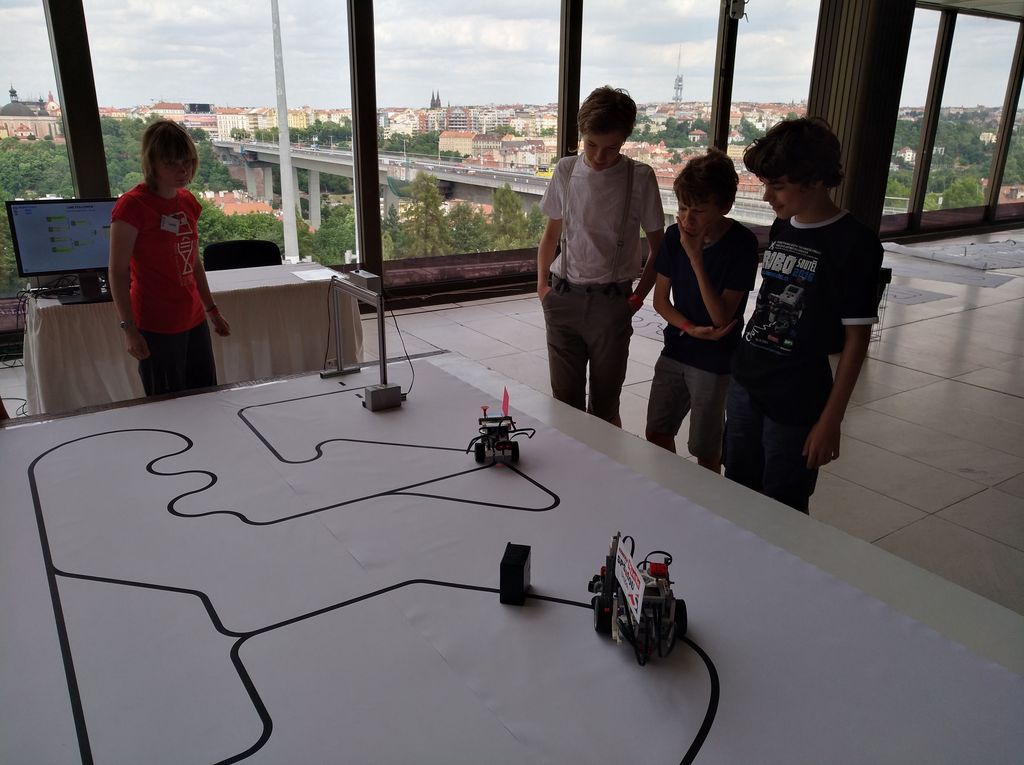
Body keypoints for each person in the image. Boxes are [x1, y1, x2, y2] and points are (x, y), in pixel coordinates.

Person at [724, 117, 882, 512]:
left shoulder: (855, 243)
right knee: (737, 486)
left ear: (814, 179)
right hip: (748, 379)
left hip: (798, 394)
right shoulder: (783, 226)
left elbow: (856, 339)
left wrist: (831, 420)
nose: (767, 197)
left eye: (777, 186)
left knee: (784, 502)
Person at [537, 86, 665, 426]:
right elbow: (551, 234)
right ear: (582, 134)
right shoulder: (566, 170)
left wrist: (637, 298)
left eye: (611, 148)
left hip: (612, 302)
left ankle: (604, 459)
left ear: (624, 141)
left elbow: (659, 246)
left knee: (605, 409)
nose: (598, 156)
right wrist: (542, 287)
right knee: (565, 406)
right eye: (591, 144)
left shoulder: (639, 177)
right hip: (563, 296)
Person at [645, 149, 758, 472]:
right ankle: (669, 488)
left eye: (698, 211)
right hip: (677, 346)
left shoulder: (742, 244)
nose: (686, 220)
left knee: (705, 447)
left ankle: (704, 497)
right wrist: (689, 328)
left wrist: (695, 257)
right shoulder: (674, 237)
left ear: (724, 207)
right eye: (682, 208)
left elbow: (721, 317)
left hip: (716, 359)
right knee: (657, 430)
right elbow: (661, 301)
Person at [108, 120, 230, 397]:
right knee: (167, 405)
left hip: (193, 318)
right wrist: (129, 329)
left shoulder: (187, 201)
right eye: (171, 163)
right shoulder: (132, 206)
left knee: (206, 397)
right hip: (156, 323)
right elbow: (117, 271)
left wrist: (212, 311)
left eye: (187, 161)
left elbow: (193, 262)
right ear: (152, 163)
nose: (183, 170)